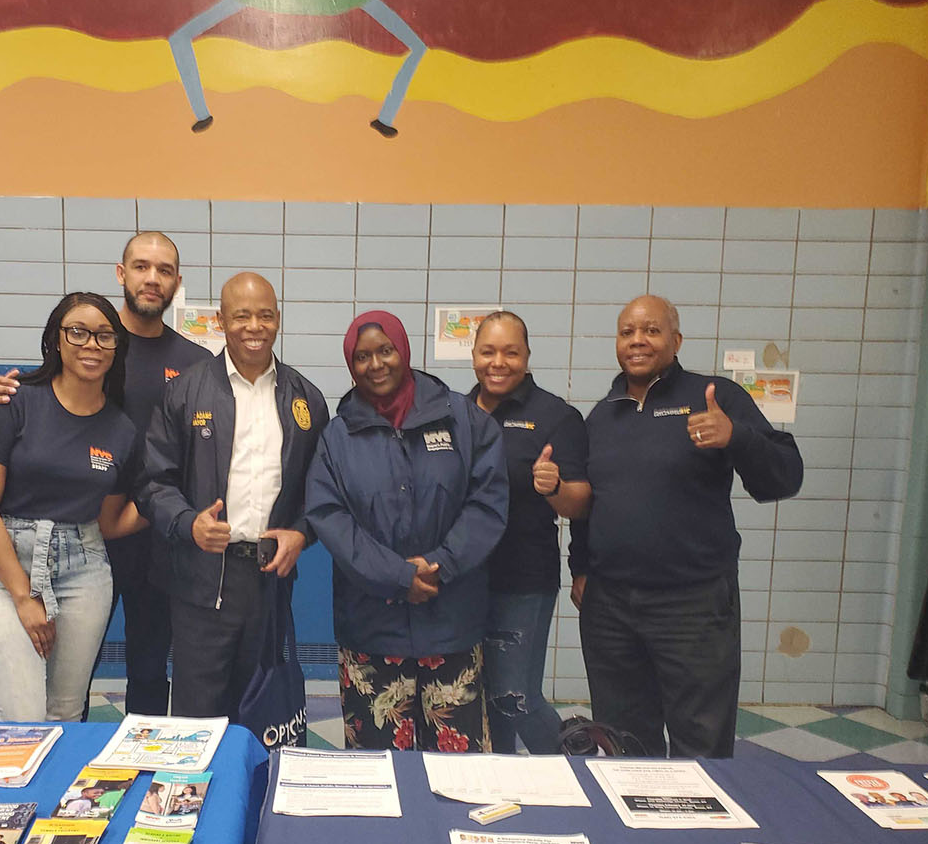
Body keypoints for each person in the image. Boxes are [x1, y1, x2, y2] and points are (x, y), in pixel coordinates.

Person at [0, 232, 210, 716]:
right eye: (142, 266)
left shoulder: (195, 364)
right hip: (81, 534)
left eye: (164, 270)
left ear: (177, 283)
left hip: (149, 536)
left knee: (148, 667)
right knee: (66, 684)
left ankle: (141, 774)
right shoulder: (87, 339)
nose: (152, 278)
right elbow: (41, 402)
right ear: (121, 274)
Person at [570, 294, 803, 758]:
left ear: (676, 340)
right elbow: (589, 505)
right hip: (611, 609)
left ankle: (700, 831)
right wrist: (581, 567)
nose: (638, 340)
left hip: (693, 606)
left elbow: (785, 475)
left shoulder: (713, 397)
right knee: (622, 741)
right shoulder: (601, 416)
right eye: (627, 332)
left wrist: (735, 437)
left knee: (701, 743)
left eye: (651, 330)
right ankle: (634, 831)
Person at [305, 311, 508, 752]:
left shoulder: (466, 422)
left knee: (461, 773)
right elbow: (330, 516)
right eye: (362, 357)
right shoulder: (337, 438)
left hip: (451, 624)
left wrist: (440, 564)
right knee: (378, 772)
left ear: (404, 351)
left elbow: (487, 504)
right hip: (372, 629)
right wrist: (397, 575)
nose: (375, 364)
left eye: (385, 351)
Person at [137, 272, 329, 719]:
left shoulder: (306, 399)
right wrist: (189, 524)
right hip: (201, 582)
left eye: (265, 315)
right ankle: (197, 792)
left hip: (270, 582)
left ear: (278, 319)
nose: (254, 327)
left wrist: (302, 533)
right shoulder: (185, 392)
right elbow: (152, 482)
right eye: (241, 316)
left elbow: (322, 492)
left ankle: (257, 789)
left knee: (264, 711)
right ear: (221, 321)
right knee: (197, 717)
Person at [0, 292, 148, 723]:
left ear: (117, 347)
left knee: (65, 713)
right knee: (21, 715)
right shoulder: (14, 401)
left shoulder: (121, 430)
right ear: (56, 340)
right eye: (78, 332)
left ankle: (61, 795)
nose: (91, 345)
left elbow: (108, 521)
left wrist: (169, 503)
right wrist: (24, 596)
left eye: (105, 336)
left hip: (83, 568)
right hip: (6, 567)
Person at [468, 311, 591, 755]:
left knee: (513, 695)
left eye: (510, 352)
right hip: (462, 581)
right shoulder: (456, 413)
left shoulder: (555, 416)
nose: (498, 362)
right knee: (482, 699)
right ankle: (498, 779)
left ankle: (579, 764)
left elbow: (581, 503)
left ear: (527, 356)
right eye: (488, 351)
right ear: (474, 355)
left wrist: (554, 486)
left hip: (522, 582)